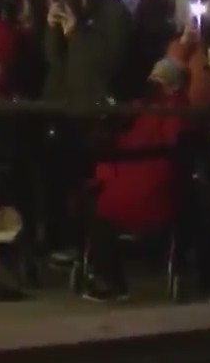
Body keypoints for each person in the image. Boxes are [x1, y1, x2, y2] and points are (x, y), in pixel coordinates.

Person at [81, 57, 189, 302]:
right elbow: (122, 140)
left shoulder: (174, 110)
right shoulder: (141, 106)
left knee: (103, 213)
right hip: (125, 176)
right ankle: (103, 274)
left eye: (161, 78)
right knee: (89, 204)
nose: (154, 81)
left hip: (148, 185)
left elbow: (167, 146)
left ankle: (112, 281)